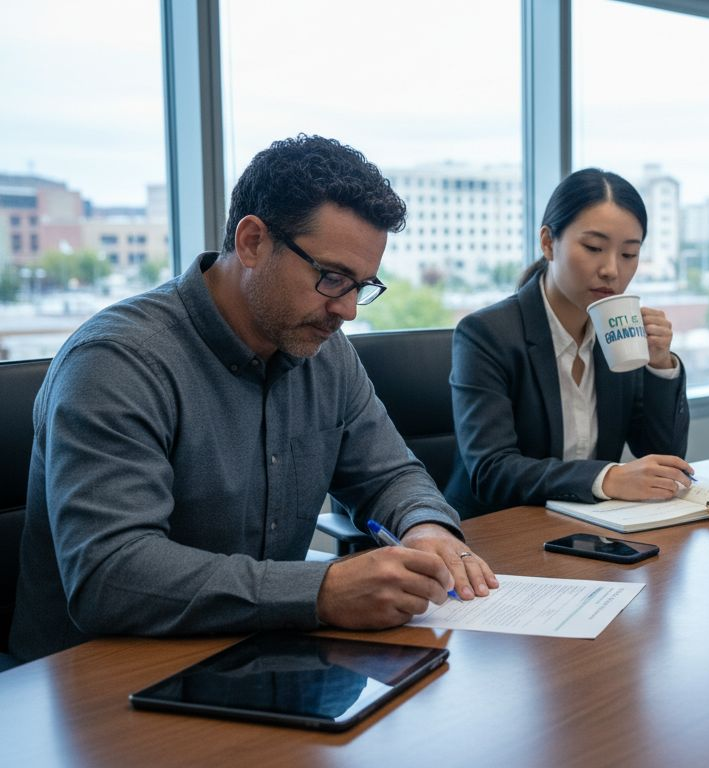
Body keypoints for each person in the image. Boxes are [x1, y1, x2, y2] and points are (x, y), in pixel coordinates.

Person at [11, 135, 498, 662]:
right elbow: (111, 575)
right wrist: (322, 591)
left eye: (361, 285)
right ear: (251, 243)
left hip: (255, 660)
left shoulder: (323, 350)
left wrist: (424, 526)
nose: (348, 310)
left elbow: (388, 474)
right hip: (102, 680)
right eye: (332, 278)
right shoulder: (117, 362)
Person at [445, 168, 692, 518]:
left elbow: (664, 455)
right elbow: (491, 470)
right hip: (496, 531)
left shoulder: (619, 333)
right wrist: (607, 479)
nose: (611, 270)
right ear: (548, 242)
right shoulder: (486, 334)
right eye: (593, 248)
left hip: (587, 528)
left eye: (628, 254)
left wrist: (660, 366)